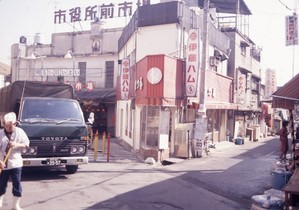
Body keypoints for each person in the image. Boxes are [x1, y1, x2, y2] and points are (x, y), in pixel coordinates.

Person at [0, 112, 30, 210]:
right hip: (3, 163)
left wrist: (17, 144)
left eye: (11, 126)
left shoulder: (20, 132)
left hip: (16, 163)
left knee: (17, 183)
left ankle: (15, 206)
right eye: (6, 125)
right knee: (1, 184)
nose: (8, 128)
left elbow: (26, 144)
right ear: (4, 124)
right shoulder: (0, 133)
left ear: (15, 124)